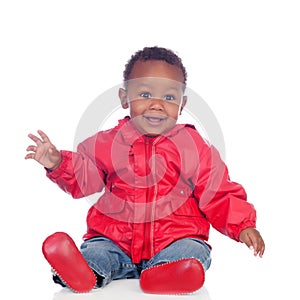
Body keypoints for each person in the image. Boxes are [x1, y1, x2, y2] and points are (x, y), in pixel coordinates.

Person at [25, 46, 265, 295]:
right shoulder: (107, 144)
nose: (157, 105)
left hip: (174, 240)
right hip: (116, 242)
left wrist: (242, 225)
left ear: (182, 104)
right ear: (124, 97)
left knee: (191, 251)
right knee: (98, 251)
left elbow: (217, 191)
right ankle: (84, 271)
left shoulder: (192, 146)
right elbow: (86, 178)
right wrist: (57, 163)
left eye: (169, 98)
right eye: (145, 94)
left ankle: (167, 274)